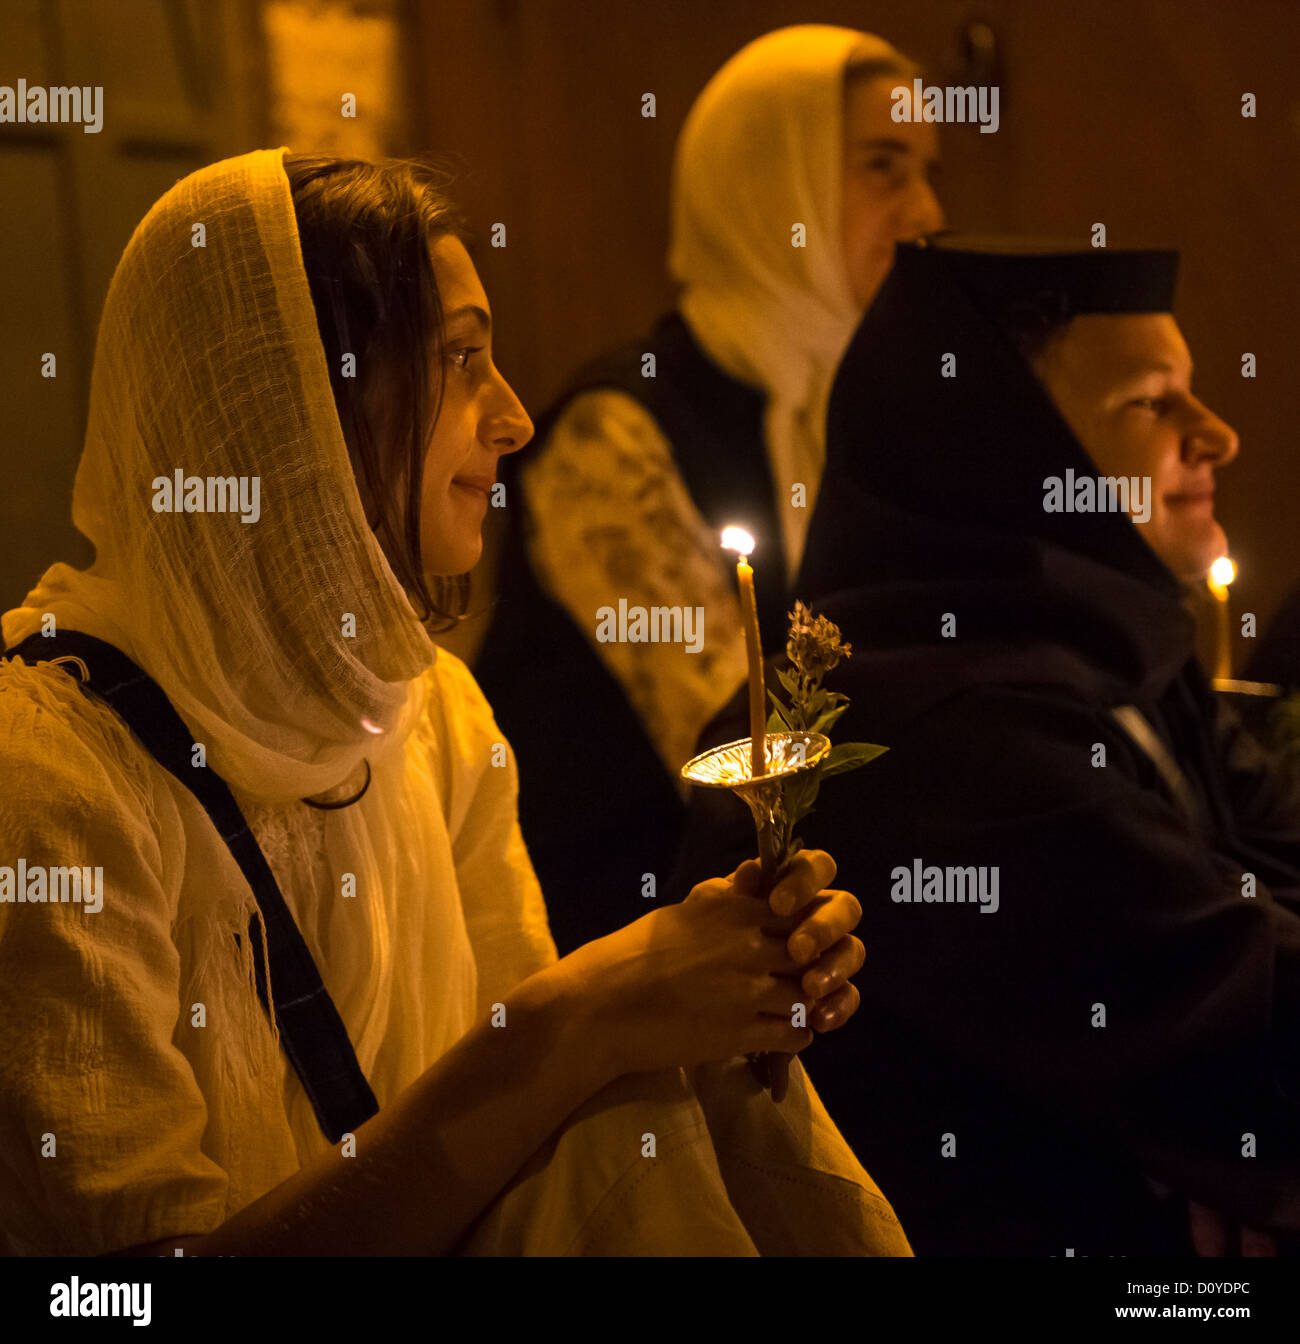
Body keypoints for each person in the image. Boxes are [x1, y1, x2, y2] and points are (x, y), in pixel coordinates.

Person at [0, 149, 910, 1257]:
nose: (517, 418)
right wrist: (576, 1017)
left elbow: (533, 1138)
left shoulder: (435, 713)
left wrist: (717, 997)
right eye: (462, 359)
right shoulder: (47, 774)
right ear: (295, 400)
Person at [674, 235, 1300, 1255]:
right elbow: (1238, 1005)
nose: (1217, 434)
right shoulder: (949, 729)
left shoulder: (1117, 645)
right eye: (1153, 400)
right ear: (1012, 445)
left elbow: (1271, 864)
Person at [473, 25, 944, 956]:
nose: (927, 210)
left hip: (801, 908)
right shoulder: (612, 433)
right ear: (772, 181)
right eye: (884, 167)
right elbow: (753, 761)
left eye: (928, 168)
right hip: (619, 946)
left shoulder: (866, 400)